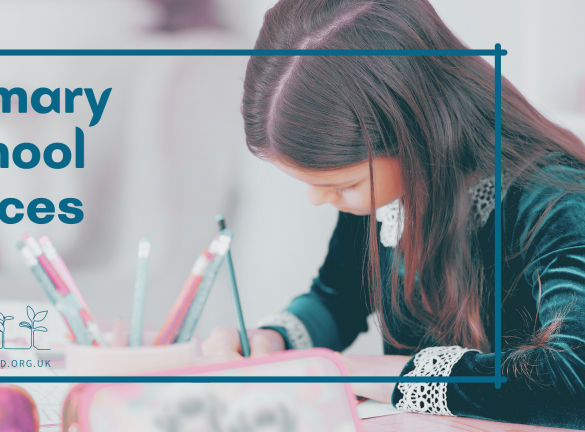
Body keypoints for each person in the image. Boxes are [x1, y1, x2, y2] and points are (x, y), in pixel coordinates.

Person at [203, 0, 585, 428]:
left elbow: (572, 382)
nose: (317, 199)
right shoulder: (389, 191)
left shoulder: (556, 199)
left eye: (343, 185)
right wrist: (272, 341)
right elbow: (338, 299)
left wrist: (358, 373)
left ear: (416, 133)